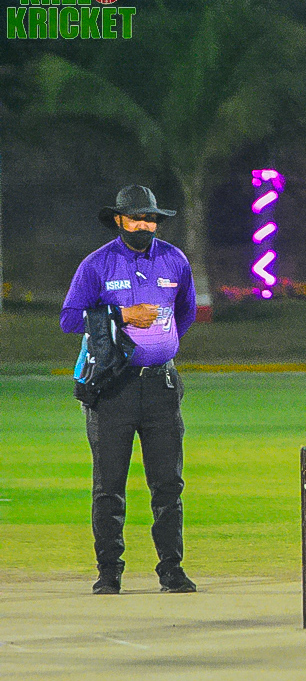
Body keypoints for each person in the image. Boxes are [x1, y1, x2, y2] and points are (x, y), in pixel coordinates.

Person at [61, 185, 198, 595]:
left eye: (151, 218)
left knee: (168, 485)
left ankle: (171, 570)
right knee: (109, 488)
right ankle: (109, 572)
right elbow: (70, 319)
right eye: (137, 218)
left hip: (161, 387)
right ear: (119, 220)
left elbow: (186, 313)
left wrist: (159, 347)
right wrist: (122, 315)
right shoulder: (97, 264)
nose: (144, 225)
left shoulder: (175, 260)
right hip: (112, 388)